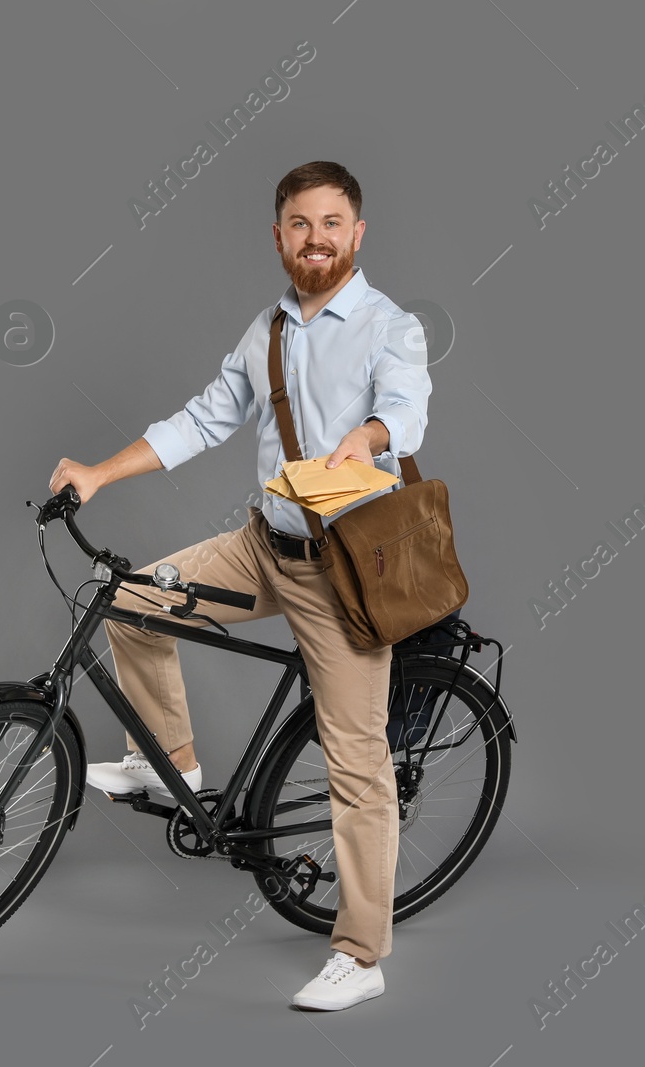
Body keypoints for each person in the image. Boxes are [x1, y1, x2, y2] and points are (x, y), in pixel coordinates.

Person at [48, 160, 430, 1011]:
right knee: (136, 601)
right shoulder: (266, 331)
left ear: (357, 234)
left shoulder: (388, 326)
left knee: (358, 765)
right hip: (266, 546)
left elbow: (406, 407)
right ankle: (170, 764)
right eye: (300, 223)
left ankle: (361, 953)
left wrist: (367, 437)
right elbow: (202, 418)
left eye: (332, 223)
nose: (316, 239)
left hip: (345, 574)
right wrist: (101, 474)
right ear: (279, 236)